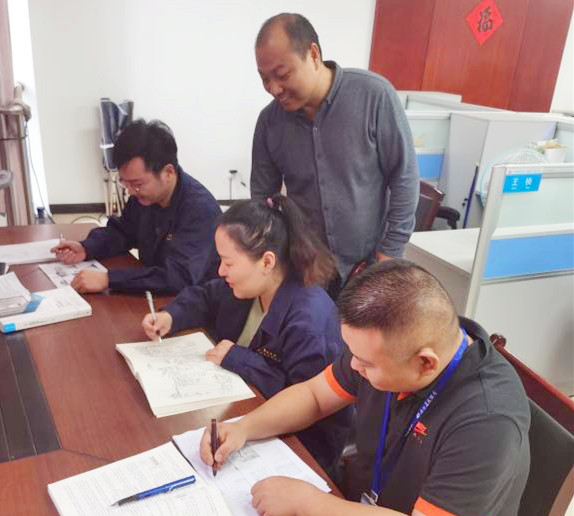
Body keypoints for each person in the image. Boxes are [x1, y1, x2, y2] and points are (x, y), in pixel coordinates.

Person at [199, 260, 531, 516]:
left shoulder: (487, 421)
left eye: (366, 363)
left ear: (425, 363)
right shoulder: (384, 348)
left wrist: (309, 503)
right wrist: (243, 428)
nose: (354, 366)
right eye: (353, 353)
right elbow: (314, 396)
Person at [142, 194, 352, 471]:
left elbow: (304, 401)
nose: (220, 271)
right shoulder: (250, 286)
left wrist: (239, 359)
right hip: (244, 410)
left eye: (228, 263)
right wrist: (171, 315)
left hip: (301, 446)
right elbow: (206, 296)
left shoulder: (307, 322)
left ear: (267, 262)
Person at [251, 13, 419, 292]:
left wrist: (389, 254)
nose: (274, 89)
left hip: (371, 265)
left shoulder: (374, 96)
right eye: (264, 78)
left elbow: (404, 178)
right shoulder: (269, 122)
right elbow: (262, 201)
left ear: (313, 54)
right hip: (308, 270)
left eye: (282, 75)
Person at [51, 119, 221, 294]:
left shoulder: (200, 210)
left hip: (196, 302)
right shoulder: (144, 197)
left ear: (168, 173)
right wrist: (87, 248)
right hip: (155, 296)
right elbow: (122, 232)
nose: (131, 191)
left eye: (137, 184)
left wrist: (109, 279)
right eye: (125, 183)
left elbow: (178, 277)